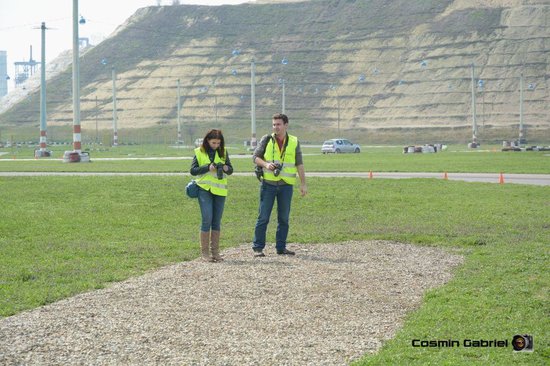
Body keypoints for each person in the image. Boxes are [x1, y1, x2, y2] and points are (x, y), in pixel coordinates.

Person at [252, 113, 307, 257]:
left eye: (278, 124)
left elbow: (299, 164)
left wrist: (303, 184)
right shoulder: (266, 139)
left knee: (284, 218)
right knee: (263, 217)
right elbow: (255, 157)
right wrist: (266, 164)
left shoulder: (294, 141)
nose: (276, 127)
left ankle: (281, 247)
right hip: (268, 185)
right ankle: (258, 248)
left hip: (286, 186)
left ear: (286, 125)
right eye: (274, 124)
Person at [190, 129, 233, 262]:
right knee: (207, 218)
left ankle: (215, 252)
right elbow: (193, 170)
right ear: (207, 141)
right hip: (204, 189)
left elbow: (231, 170)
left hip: (220, 191)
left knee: (216, 221)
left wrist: (226, 168)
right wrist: (207, 168)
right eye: (213, 142)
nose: (216, 145)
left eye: (218, 143)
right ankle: (205, 253)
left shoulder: (223, 151)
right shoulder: (199, 152)